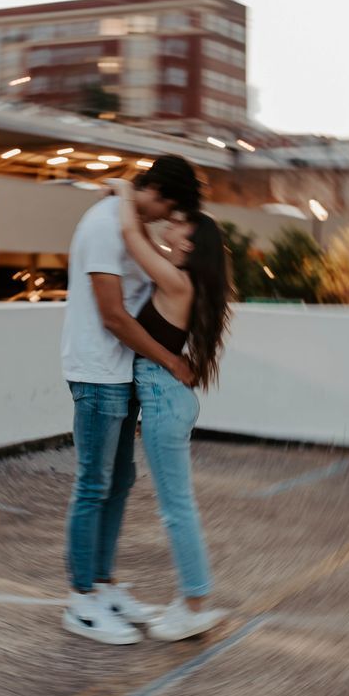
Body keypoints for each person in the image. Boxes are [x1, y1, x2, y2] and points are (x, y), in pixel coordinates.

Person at [61, 154, 201, 645]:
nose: (165, 220)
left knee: (119, 480)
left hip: (121, 376)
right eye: (168, 210)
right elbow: (113, 317)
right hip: (98, 373)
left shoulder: (124, 222)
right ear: (157, 191)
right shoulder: (103, 226)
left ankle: (102, 584)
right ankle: (81, 600)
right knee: (93, 483)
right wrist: (168, 359)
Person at [112, 176, 231, 642]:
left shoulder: (176, 280)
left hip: (164, 399)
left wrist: (124, 191)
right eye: (173, 221)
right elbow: (141, 243)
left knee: (176, 509)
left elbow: (129, 236)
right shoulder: (179, 278)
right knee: (177, 506)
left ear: (191, 242)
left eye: (179, 225)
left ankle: (194, 603)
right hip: (167, 397)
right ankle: (192, 601)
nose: (170, 229)